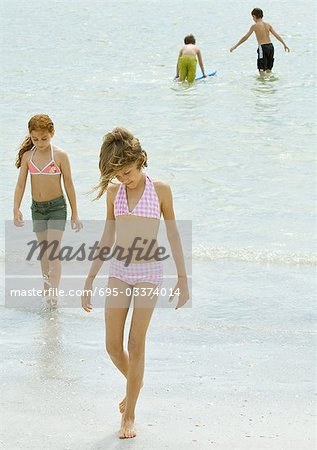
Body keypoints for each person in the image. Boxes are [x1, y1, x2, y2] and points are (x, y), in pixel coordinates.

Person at [81, 127, 190, 439]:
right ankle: (136, 382)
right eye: (118, 175)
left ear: (141, 161)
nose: (124, 179)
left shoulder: (160, 191)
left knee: (135, 343)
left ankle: (129, 415)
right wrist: (90, 278)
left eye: (127, 172)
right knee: (112, 346)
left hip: (148, 274)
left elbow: (172, 234)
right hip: (118, 271)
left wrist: (182, 278)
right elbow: (107, 236)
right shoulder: (115, 194)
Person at [13, 114, 82, 307]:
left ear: (52, 133)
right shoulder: (28, 156)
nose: (40, 142)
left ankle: (54, 294)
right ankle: (46, 290)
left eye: (44, 138)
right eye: (35, 139)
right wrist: (16, 208)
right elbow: (20, 185)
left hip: (57, 208)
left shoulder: (59, 156)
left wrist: (75, 213)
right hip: (38, 209)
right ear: (30, 136)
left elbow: (69, 184)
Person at [230, 8, 290, 76]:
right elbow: (277, 35)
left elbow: (245, 37)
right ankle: (270, 86)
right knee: (269, 70)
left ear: (254, 16)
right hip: (271, 47)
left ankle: (262, 86)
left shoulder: (254, 26)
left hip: (263, 47)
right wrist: (284, 44)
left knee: (261, 71)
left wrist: (235, 46)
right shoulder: (268, 25)